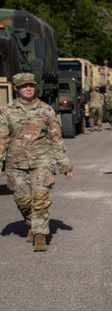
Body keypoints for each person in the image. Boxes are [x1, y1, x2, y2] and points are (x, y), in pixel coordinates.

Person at [0, 72, 73, 252]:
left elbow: (56, 138)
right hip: (15, 162)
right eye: (24, 86)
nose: (28, 88)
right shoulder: (6, 111)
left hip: (42, 160)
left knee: (40, 197)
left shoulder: (45, 110)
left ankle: (40, 235)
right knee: (22, 199)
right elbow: (1, 138)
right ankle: (32, 223)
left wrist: (64, 164)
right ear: (16, 88)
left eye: (31, 85)